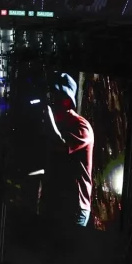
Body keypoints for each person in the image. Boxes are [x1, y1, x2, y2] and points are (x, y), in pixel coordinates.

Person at [43, 73, 94, 227]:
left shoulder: (81, 126)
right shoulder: (62, 125)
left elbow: (61, 146)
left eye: (55, 98)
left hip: (75, 206)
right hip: (59, 201)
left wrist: (48, 116)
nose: (52, 102)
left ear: (66, 101)